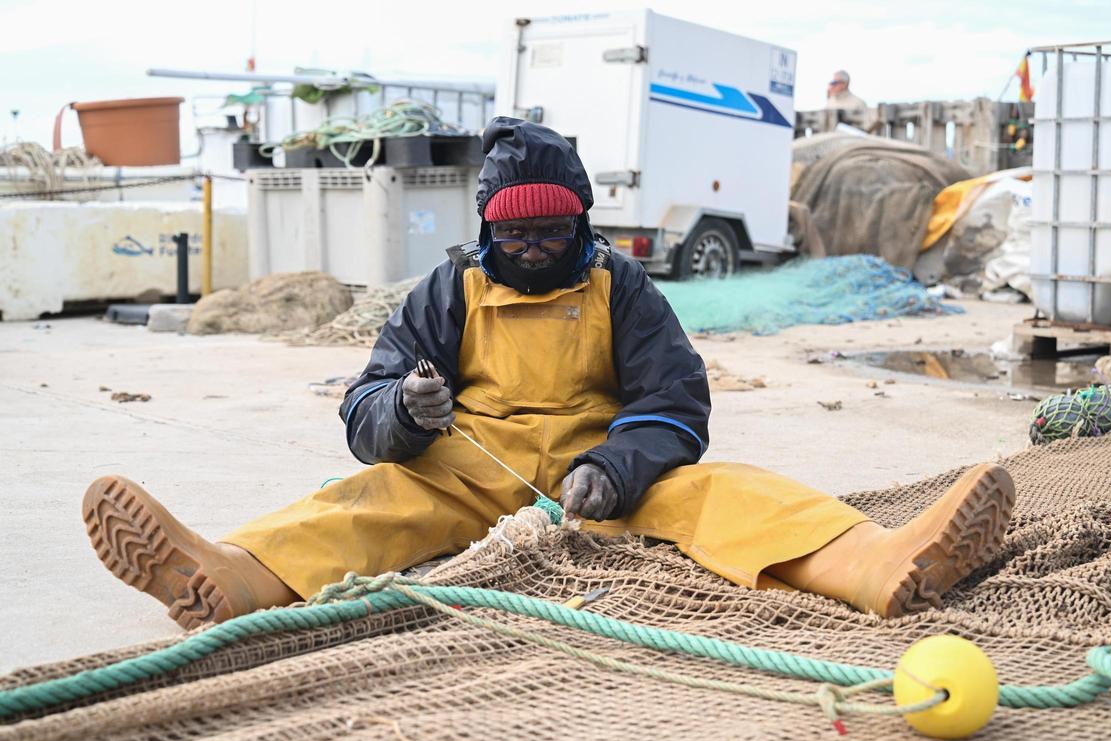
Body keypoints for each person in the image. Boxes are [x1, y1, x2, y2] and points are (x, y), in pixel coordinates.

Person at [82, 118, 1015, 630]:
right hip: (462, 473)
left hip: (593, 477)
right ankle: (226, 578)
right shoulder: (448, 287)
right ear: (486, 229)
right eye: (513, 234)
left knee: (726, 493)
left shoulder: (621, 286)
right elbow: (363, 403)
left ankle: (877, 563)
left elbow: (676, 399)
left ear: (582, 227)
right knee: (360, 504)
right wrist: (403, 412)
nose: (530, 248)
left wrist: (620, 466)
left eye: (550, 232)